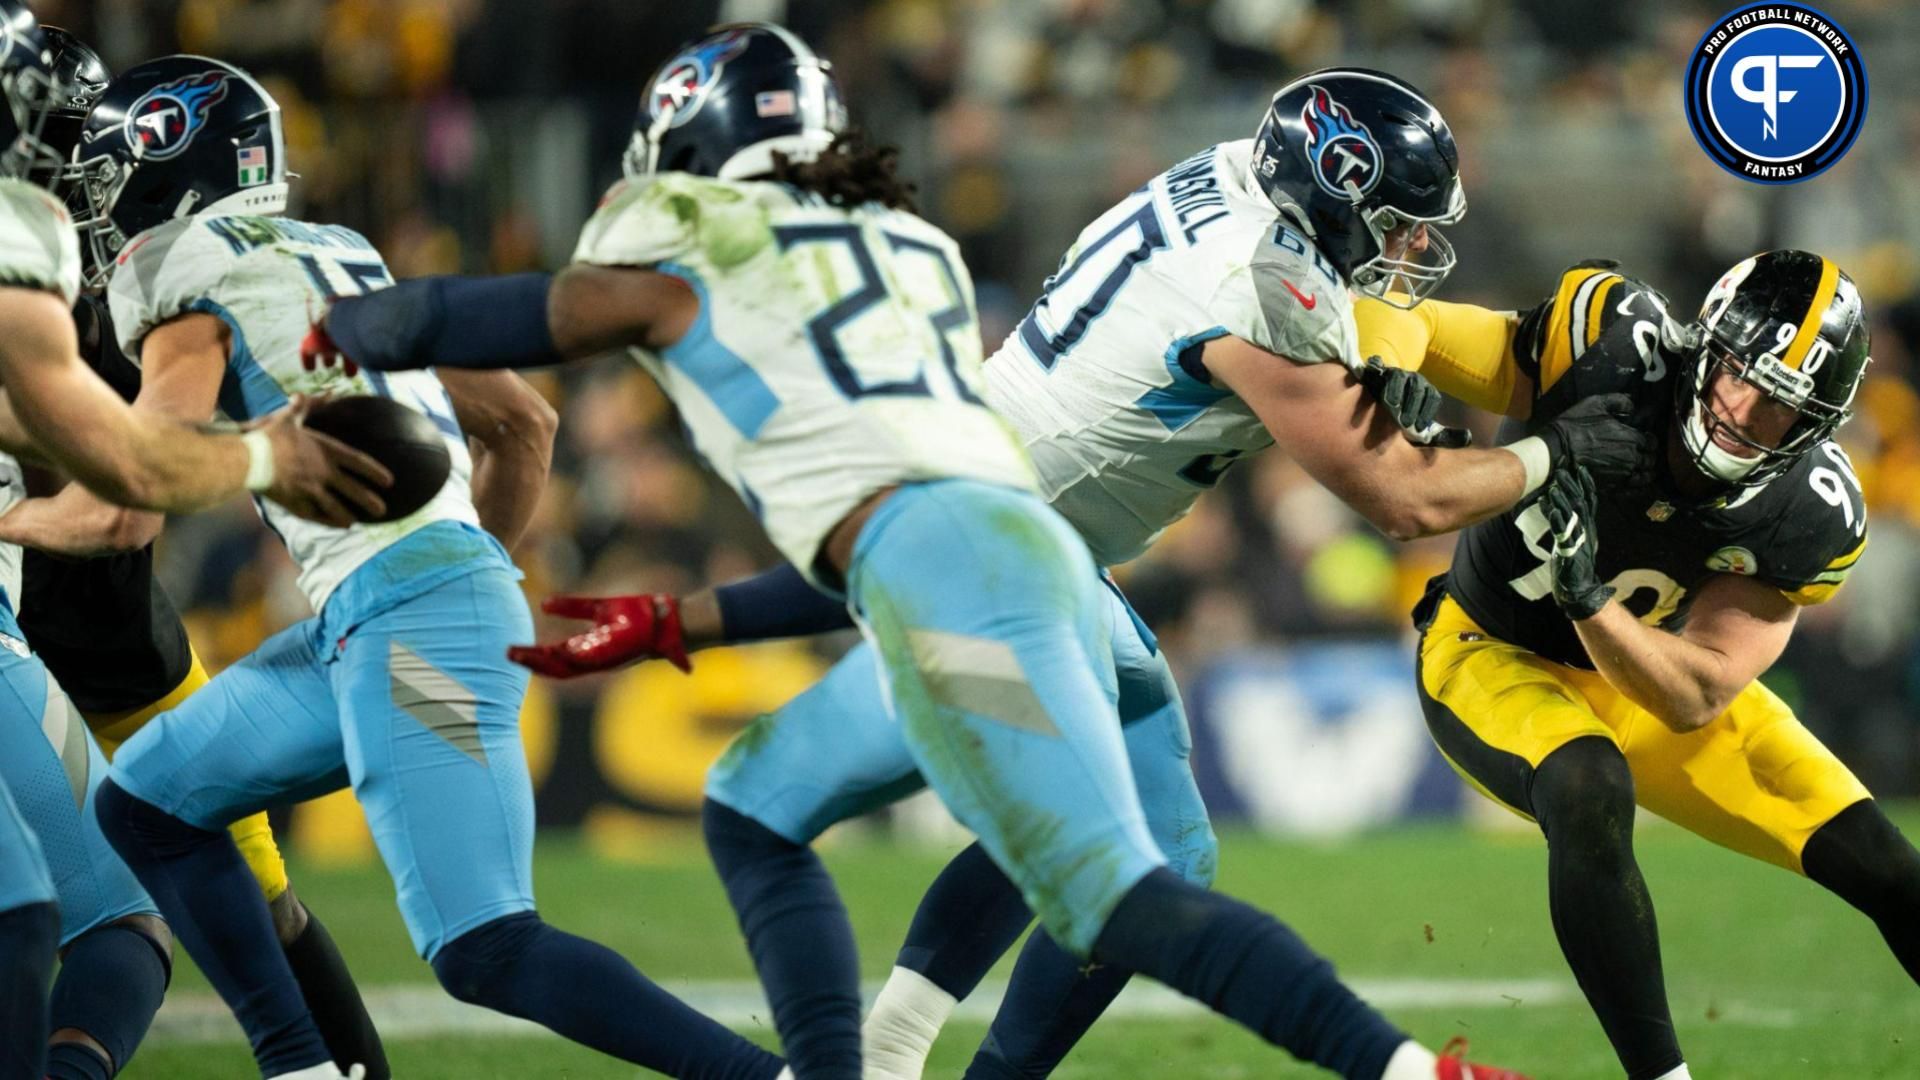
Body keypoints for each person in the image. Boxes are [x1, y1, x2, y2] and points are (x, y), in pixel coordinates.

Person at [307, 22, 1546, 1080]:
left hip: (997, 532)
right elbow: (1385, 469)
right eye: (1387, 224)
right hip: (1029, 542)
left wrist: (350, 321)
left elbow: (543, 319)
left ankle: (887, 1065)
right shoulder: (910, 246)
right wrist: (690, 622)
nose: (1405, 253)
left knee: (1027, 863)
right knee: (1122, 869)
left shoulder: (1227, 188)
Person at [73, 53, 784, 1080]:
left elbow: (139, 480)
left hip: (404, 614)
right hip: (381, 611)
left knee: (485, 946)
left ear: (168, 159)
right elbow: (524, 424)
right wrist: (468, 570)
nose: (98, 208)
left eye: (104, 177)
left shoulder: (181, 270)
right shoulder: (341, 252)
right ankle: (304, 1066)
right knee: (147, 802)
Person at [1379, 252, 1920, 1080]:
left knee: (1885, 861)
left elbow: (1699, 691)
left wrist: (1588, 598)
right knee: (1587, 786)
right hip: (1491, 647)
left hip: (1645, 675)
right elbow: (1419, 327)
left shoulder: (1808, 511)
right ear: (1707, 343)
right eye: (1742, 373)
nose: (1744, 408)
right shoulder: (1610, 351)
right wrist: (1387, 367)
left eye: (1782, 404)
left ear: (1816, 425)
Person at [0, 9, 391, 1078]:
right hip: (42, 625)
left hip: (105, 633)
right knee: (79, 911)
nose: (75, 175)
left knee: (252, 900)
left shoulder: (131, 273)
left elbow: (108, 488)